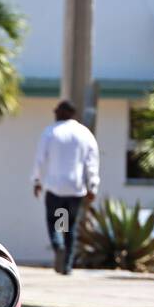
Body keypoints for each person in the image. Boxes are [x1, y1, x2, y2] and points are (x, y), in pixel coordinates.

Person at [31, 99, 99, 274]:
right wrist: (92, 186)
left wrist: (37, 181)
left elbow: (40, 159)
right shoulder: (84, 133)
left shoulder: (51, 132)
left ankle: (58, 246)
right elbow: (92, 162)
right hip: (75, 188)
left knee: (55, 223)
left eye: (57, 112)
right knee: (69, 226)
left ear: (63, 113)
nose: (55, 114)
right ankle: (67, 265)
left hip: (55, 188)